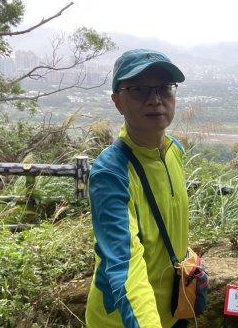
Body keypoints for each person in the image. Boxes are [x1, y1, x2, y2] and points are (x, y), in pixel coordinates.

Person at [86, 49, 190, 328]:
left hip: (171, 311)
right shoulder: (111, 173)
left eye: (164, 88)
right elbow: (125, 266)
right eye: (139, 90)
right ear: (118, 102)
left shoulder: (173, 151)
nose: (155, 99)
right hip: (125, 320)